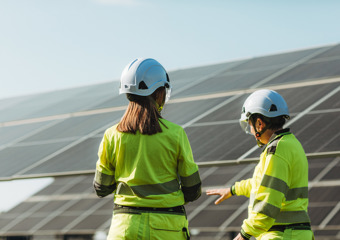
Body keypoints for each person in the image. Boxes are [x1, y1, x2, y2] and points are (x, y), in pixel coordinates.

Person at [93, 58, 202, 240]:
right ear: (158, 93)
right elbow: (192, 189)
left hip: (125, 228)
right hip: (167, 227)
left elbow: (101, 188)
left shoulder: (111, 135)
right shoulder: (175, 134)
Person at [206, 89, 314, 240]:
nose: (250, 130)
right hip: (296, 234)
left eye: (250, 125)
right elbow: (263, 183)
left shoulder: (276, 151)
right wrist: (232, 190)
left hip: (280, 234)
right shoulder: (292, 144)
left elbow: (268, 201)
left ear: (259, 123)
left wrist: (244, 234)